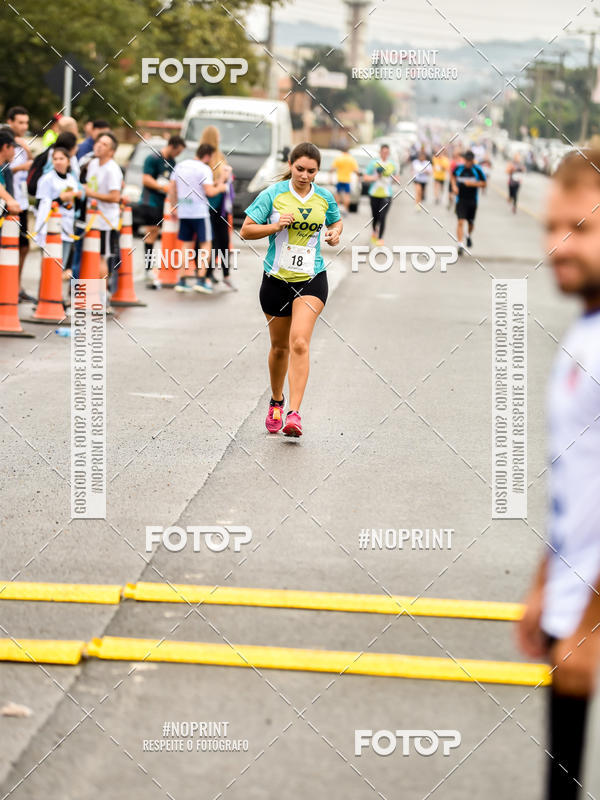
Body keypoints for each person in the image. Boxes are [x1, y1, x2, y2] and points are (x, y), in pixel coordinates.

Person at [517, 148, 600, 800]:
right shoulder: (582, 333)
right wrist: (547, 583)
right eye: (551, 228)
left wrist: (588, 620)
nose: (558, 246)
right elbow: (576, 478)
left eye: (580, 228)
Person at [240, 141, 343, 438]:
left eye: (312, 171)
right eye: (300, 169)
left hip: (312, 278)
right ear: (290, 164)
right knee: (280, 347)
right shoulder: (273, 195)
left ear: (318, 171)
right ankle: (276, 400)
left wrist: (335, 233)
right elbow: (246, 229)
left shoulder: (324, 197)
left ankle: (294, 413)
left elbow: (336, 223)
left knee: (300, 342)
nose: (305, 176)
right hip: (276, 279)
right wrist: (274, 226)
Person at [167, 142, 228, 294]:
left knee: (186, 246)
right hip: (200, 212)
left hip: (184, 211)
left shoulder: (180, 165)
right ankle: (201, 280)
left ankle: (181, 280)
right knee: (205, 246)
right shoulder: (204, 168)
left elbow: (172, 188)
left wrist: (173, 206)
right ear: (207, 155)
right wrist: (222, 186)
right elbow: (210, 192)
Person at [140, 134, 185, 288]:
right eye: (178, 151)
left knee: (156, 233)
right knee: (151, 233)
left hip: (163, 204)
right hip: (150, 201)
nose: (178, 155)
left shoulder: (172, 162)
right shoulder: (152, 158)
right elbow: (146, 179)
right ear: (172, 146)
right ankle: (147, 268)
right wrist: (162, 186)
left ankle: (150, 267)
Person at [199, 125, 236, 290]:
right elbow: (209, 185)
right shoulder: (209, 157)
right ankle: (207, 275)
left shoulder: (218, 155)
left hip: (221, 206)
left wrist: (227, 177)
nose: (220, 138)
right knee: (213, 241)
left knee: (223, 241)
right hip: (212, 206)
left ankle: (223, 275)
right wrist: (223, 178)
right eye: (218, 135)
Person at [35, 147, 82, 270]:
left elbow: (73, 205)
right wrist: (60, 199)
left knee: (61, 266)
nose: (58, 161)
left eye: (61, 158)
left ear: (68, 161)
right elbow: (40, 204)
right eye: (55, 159)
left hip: (66, 228)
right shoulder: (47, 179)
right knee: (49, 268)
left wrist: (76, 197)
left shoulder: (71, 179)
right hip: (51, 230)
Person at [85, 132, 122, 284]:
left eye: (105, 144)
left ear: (111, 152)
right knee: (90, 256)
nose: (99, 145)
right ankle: (88, 296)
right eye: (99, 142)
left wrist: (92, 193)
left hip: (105, 221)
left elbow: (115, 197)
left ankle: (102, 296)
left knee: (101, 257)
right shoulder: (93, 163)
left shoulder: (112, 169)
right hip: (91, 219)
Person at [5, 106, 34, 302]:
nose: (24, 127)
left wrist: (27, 150)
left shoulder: (22, 144)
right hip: (8, 201)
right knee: (7, 245)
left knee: (24, 246)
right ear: (10, 122)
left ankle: (16, 284)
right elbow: (7, 170)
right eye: (20, 122)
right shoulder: (5, 141)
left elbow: (32, 166)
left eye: (26, 123)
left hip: (21, 201)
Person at [450, 150, 486, 255]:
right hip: (461, 199)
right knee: (460, 221)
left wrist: (473, 184)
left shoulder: (477, 170)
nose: (468, 163)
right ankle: (460, 244)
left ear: (473, 161)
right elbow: (452, 176)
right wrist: (454, 186)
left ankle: (468, 235)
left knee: (470, 223)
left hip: (472, 200)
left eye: (470, 161)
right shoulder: (459, 168)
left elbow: (484, 183)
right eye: (466, 160)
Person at [364, 144, 397, 246]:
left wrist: (394, 179)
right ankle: (374, 231)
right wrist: (375, 177)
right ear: (380, 152)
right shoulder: (373, 164)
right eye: (383, 152)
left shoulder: (392, 164)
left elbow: (396, 178)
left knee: (383, 216)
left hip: (387, 194)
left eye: (387, 152)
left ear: (389, 153)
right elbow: (365, 177)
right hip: (374, 193)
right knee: (375, 216)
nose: (385, 154)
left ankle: (380, 238)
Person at [331, 146, 359, 215]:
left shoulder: (339, 158)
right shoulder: (351, 159)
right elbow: (356, 171)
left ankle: (336, 210)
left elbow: (332, 168)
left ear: (342, 152)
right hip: (347, 180)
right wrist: (358, 178)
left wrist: (330, 178)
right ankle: (346, 209)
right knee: (347, 195)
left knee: (337, 195)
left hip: (339, 179)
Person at [0, 130, 20, 217]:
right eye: (13, 148)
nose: (15, 153)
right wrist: (9, 199)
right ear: (5, 147)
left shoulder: (3, 170)